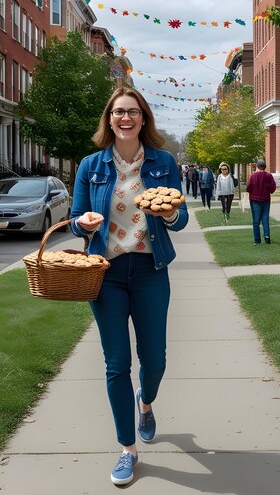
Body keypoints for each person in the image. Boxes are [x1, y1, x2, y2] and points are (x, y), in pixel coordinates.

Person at [70, 86, 189, 485]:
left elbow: (180, 219)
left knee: (155, 359)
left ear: (143, 118)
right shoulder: (91, 166)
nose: (125, 118)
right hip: (106, 274)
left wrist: (171, 215)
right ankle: (127, 449)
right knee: (117, 363)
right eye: (118, 112)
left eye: (133, 112)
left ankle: (147, 400)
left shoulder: (164, 162)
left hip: (151, 270)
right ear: (109, 118)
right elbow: (75, 218)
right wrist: (81, 224)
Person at [246, 156, 276, 245]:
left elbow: (248, 188)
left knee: (256, 220)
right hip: (266, 200)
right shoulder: (269, 176)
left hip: (255, 200)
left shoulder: (253, 175)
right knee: (265, 218)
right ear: (265, 166)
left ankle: (257, 240)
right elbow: (272, 188)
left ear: (257, 166)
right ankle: (267, 237)